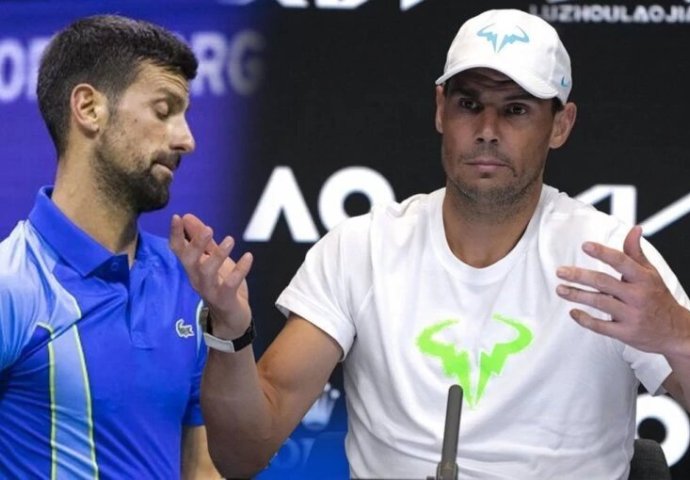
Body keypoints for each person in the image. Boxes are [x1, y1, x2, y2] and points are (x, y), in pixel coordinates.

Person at [171, 8, 690, 480]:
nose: (487, 130)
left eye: (515, 110)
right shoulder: (363, 249)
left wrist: (675, 334)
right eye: (469, 104)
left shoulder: (611, 258)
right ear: (441, 110)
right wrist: (230, 332)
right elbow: (243, 453)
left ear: (561, 125)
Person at [0, 15, 220, 479]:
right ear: (89, 108)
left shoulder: (186, 281)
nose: (186, 139)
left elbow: (200, 468)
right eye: (164, 110)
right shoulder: (11, 285)